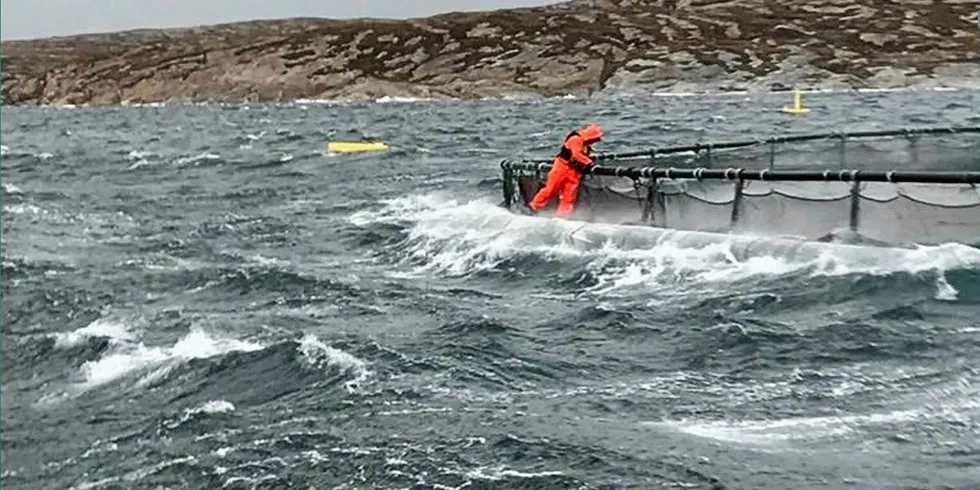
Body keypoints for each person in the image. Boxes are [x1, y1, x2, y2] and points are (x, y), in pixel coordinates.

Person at [527, 124, 603, 218]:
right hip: (562, 167)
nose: (594, 141)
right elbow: (577, 155)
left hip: (574, 172)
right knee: (550, 190)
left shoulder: (586, 146)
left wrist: (588, 164)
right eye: (595, 138)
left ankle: (562, 216)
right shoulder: (575, 139)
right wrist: (590, 163)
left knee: (569, 197)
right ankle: (533, 207)